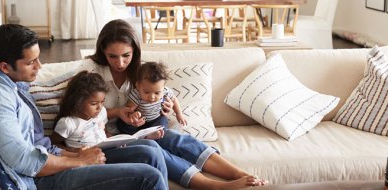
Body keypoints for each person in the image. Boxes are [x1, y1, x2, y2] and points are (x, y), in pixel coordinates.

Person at [0, 24, 167, 190]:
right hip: (39, 178)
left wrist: (77, 154)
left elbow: (39, 145)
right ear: (5, 66)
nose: (39, 66)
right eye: (31, 62)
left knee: (150, 151)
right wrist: (81, 161)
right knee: (148, 177)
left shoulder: (12, 84)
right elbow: (23, 161)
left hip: (52, 157)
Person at [79, 19, 268, 189]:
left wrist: (166, 108)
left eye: (126, 55)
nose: (120, 63)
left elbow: (159, 99)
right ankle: (211, 186)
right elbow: (78, 111)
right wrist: (117, 112)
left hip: (138, 129)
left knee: (171, 137)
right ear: (103, 51)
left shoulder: (141, 71)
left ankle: (240, 173)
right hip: (106, 138)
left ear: (135, 50)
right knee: (154, 148)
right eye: (112, 56)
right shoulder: (90, 71)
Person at [117, 61, 187, 135]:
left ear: (163, 87)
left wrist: (179, 114)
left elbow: (174, 99)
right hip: (139, 122)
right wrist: (133, 115)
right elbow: (129, 109)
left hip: (155, 119)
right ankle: (137, 136)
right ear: (138, 86)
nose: (152, 97)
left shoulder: (165, 91)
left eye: (157, 93)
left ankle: (154, 135)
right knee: (121, 123)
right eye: (146, 92)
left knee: (162, 122)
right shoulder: (136, 94)